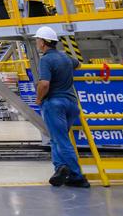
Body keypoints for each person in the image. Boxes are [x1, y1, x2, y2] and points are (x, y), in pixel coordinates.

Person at [34, 26, 89, 188]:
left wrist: (38, 99)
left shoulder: (46, 60)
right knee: (57, 139)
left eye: (37, 40)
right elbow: (78, 64)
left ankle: (77, 176)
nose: (37, 42)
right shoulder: (65, 57)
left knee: (62, 141)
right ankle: (60, 169)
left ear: (43, 42)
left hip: (55, 104)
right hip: (71, 104)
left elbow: (44, 84)